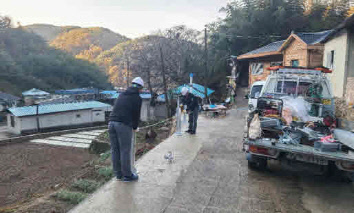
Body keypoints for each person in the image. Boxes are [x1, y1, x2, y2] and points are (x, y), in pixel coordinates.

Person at [108, 77, 143, 182]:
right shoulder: (137, 98)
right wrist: (135, 127)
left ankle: (118, 174)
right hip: (123, 125)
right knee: (125, 150)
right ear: (140, 88)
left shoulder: (122, 94)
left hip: (111, 123)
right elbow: (136, 115)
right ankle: (127, 175)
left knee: (115, 150)